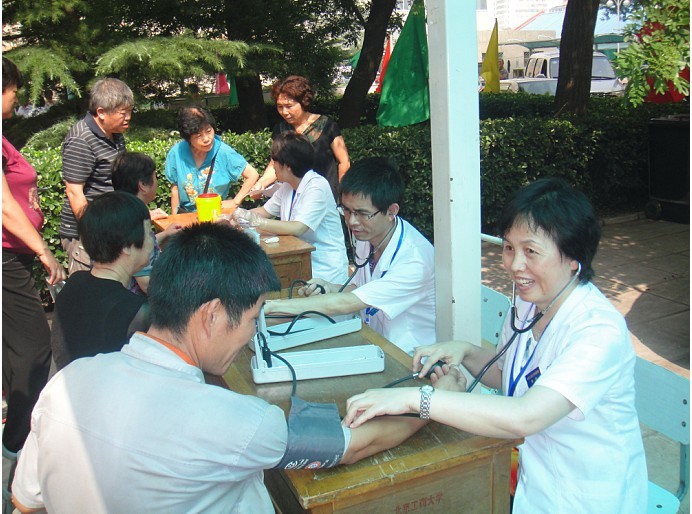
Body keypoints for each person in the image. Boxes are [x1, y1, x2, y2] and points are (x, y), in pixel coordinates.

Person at [10, 222, 459, 513]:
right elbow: (355, 445)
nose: (249, 336)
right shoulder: (239, 422)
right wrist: (434, 401)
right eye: (251, 319)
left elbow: (25, 500)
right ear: (212, 315)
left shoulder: (67, 384)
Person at [342, 178, 648, 513]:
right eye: (509, 248)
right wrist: (466, 351)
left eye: (531, 251)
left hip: (587, 496)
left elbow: (526, 416)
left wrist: (415, 399)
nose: (514, 265)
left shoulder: (597, 331)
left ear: (574, 257)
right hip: (533, 479)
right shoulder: (530, 302)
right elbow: (509, 374)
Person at [265, 157, 435, 355]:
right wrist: (330, 287)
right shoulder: (368, 236)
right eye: (346, 210)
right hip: (376, 341)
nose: (352, 221)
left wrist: (272, 307)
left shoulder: (415, 260)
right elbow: (362, 289)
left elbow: (349, 303)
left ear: (391, 211)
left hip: (411, 356)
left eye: (362, 213)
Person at [1, 57, 67, 455]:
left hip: (14, 258)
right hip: (6, 259)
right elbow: (4, 206)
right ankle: (16, 443)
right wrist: (44, 251)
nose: (16, 98)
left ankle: (16, 431)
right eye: (13, 91)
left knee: (16, 349)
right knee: (36, 347)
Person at [50, 191, 153, 371]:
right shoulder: (136, 312)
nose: (152, 239)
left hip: (68, 384)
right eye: (149, 232)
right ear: (126, 246)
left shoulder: (74, 283)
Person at [234, 132, 348, 284]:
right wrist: (237, 216)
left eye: (274, 161)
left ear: (287, 166)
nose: (272, 166)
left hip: (325, 269)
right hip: (298, 260)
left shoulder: (317, 186)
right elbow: (264, 212)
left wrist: (257, 222)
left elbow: (298, 227)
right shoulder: (288, 187)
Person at [59, 78, 134, 275]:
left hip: (111, 228)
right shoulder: (81, 139)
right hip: (87, 236)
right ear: (101, 112)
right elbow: (74, 192)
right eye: (123, 113)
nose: (128, 117)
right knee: (92, 288)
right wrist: (94, 233)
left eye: (130, 111)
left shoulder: (115, 133)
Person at [251, 75, 350, 199]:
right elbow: (275, 164)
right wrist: (261, 184)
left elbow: (344, 162)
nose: (284, 112)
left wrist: (342, 195)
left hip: (326, 197)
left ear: (303, 102)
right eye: (280, 106)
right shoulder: (280, 130)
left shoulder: (327, 126)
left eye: (289, 106)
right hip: (294, 199)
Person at [111, 152, 183, 295]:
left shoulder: (118, 209)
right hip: (135, 302)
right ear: (143, 185)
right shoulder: (134, 219)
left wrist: (165, 234)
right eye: (155, 177)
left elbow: (137, 245)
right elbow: (146, 284)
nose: (157, 182)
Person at [165, 106, 258, 214]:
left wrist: (235, 202)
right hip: (186, 215)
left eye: (208, 131)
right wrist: (174, 219)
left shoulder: (224, 152)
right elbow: (175, 189)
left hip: (215, 215)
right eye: (198, 136)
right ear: (188, 138)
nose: (206, 139)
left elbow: (252, 174)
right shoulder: (176, 153)